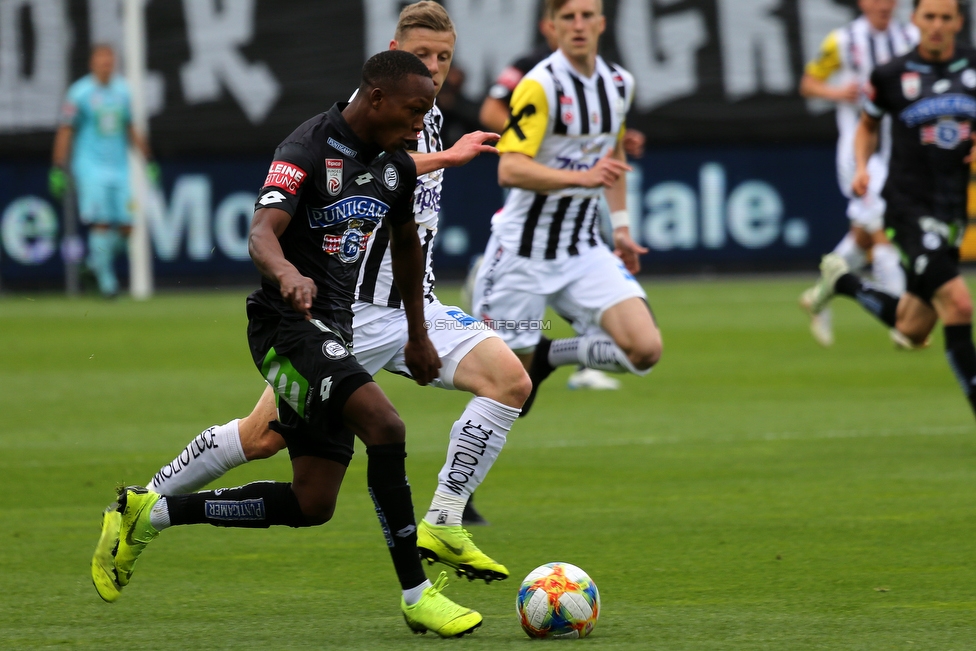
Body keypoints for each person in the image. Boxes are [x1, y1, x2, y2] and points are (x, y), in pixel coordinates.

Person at [93, 0, 527, 594]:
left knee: (510, 382)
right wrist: (445, 158)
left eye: (443, 57)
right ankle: (146, 502)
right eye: (421, 54)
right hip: (347, 317)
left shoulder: (421, 114)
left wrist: (422, 321)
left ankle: (445, 518)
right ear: (394, 51)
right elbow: (369, 170)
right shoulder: (369, 115)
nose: (433, 67)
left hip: (410, 308)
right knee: (262, 437)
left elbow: (403, 217)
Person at [470, 0, 661, 416]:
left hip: (582, 248)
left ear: (602, 23)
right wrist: (582, 177)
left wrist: (623, 228)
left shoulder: (619, 83)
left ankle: (551, 353)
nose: (579, 25)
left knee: (645, 349)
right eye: (568, 17)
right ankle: (451, 484)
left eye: (587, 15)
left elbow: (611, 157)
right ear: (551, 26)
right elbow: (511, 169)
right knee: (507, 397)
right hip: (521, 252)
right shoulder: (539, 83)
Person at [806, 0, 976, 421]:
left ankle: (844, 281)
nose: (936, 26)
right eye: (929, 17)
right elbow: (867, 125)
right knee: (958, 304)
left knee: (913, 329)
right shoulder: (891, 74)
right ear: (915, 20)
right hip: (907, 204)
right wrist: (862, 167)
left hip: (952, 208)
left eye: (945, 17)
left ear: (958, 21)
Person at [798, 0, 916, 346]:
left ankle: (820, 292)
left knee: (865, 234)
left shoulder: (910, 36)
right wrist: (836, 91)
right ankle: (899, 318)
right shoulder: (843, 41)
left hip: (897, 150)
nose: (882, 5)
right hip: (858, 152)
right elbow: (808, 83)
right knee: (883, 229)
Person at [50, 44, 156, 298]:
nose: (106, 65)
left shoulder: (122, 91)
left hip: (119, 169)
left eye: (109, 61)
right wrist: (57, 166)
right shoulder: (79, 93)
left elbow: (130, 127)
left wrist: (148, 159)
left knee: (128, 227)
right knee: (102, 222)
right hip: (90, 168)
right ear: (92, 64)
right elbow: (66, 130)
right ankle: (108, 286)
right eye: (101, 61)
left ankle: (95, 265)